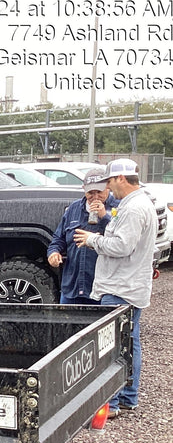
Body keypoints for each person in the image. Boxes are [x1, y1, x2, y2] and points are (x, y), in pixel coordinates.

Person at [73, 158, 158, 418]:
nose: (109, 187)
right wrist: (106, 217)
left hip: (121, 287)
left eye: (109, 181)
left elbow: (122, 246)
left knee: (116, 345)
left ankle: (114, 400)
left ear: (121, 179)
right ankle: (127, 397)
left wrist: (92, 239)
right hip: (128, 286)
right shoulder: (135, 204)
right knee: (129, 342)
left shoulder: (133, 208)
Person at [47, 166, 118, 304]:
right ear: (84, 189)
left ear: (108, 187)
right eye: (90, 192)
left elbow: (121, 240)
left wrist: (104, 217)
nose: (95, 197)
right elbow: (58, 239)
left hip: (103, 290)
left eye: (99, 191)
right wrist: (53, 253)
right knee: (67, 324)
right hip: (72, 288)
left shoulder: (118, 207)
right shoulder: (74, 208)